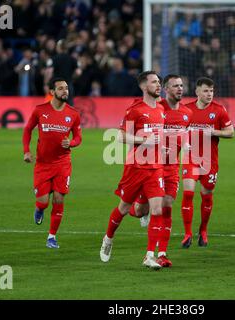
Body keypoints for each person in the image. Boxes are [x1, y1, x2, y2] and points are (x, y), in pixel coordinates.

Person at [99, 71, 166, 270]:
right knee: (123, 208)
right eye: (154, 82)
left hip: (156, 167)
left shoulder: (161, 109)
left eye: (159, 82)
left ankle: (149, 256)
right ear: (144, 86)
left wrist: (161, 147)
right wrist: (143, 140)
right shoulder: (135, 110)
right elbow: (120, 137)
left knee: (157, 209)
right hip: (135, 166)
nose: (158, 85)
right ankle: (108, 238)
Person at [129, 74, 193, 267]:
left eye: (181, 86)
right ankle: (136, 208)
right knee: (141, 210)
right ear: (166, 89)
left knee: (166, 207)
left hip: (172, 167)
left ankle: (161, 253)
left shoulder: (187, 113)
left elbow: (183, 135)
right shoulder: (158, 107)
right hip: (152, 166)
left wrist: (187, 145)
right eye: (175, 86)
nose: (180, 89)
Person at [22, 77, 82, 249]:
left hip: (63, 163)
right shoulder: (40, 110)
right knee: (43, 202)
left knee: (58, 198)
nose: (65, 91)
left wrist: (71, 143)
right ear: (52, 92)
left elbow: (78, 138)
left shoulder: (73, 113)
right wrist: (26, 151)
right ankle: (39, 209)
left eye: (66, 88)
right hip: (43, 164)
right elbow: (27, 130)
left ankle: (52, 237)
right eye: (61, 88)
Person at [180, 77, 234, 248]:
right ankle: (187, 233)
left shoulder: (219, 110)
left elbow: (231, 132)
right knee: (188, 193)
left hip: (210, 160)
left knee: (206, 195)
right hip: (190, 158)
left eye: (211, 91)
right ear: (197, 92)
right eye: (205, 91)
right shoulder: (186, 109)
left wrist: (214, 132)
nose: (209, 94)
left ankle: (203, 230)